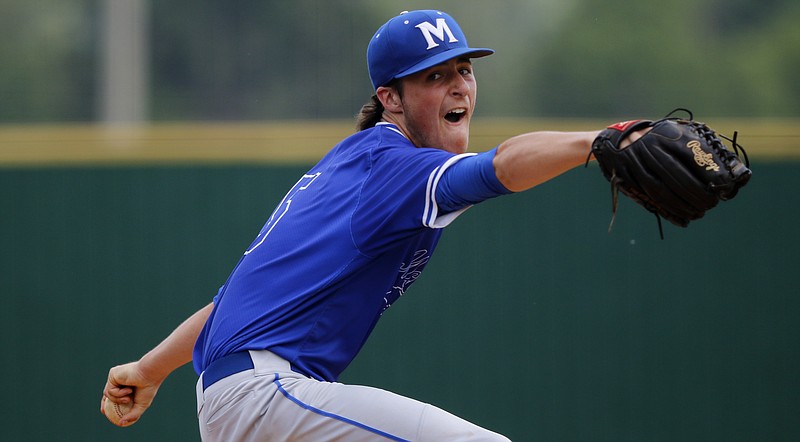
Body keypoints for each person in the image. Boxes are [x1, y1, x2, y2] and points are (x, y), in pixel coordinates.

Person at [102, 9, 643, 441]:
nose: (459, 87)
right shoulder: (393, 169)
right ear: (391, 98)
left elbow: (234, 304)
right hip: (266, 399)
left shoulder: (357, 163)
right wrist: (603, 139)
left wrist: (149, 369)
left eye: (465, 70)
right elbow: (500, 166)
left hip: (254, 402)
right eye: (435, 76)